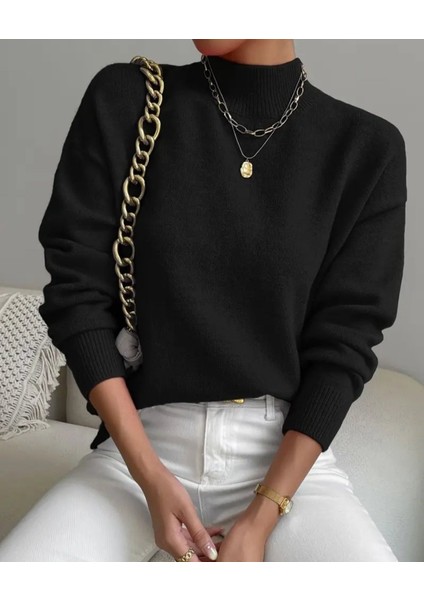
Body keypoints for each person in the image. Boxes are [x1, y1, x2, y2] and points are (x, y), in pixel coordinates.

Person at [0, 39, 406, 562]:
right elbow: (77, 296)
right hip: (136, 453)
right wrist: (149, 475)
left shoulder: (365, 148)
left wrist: (264, 512)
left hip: (281, 463)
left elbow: (345, 344)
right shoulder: (128, 99)